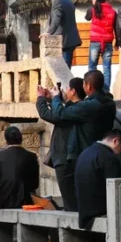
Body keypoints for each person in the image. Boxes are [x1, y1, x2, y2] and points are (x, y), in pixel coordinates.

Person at [36, 70, 117, 162]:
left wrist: (53, 97)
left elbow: (59, 113)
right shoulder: (109, 103)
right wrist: (54, 100)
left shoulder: (89, 106)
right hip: (101, 150)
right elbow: (72, 108)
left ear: (88, 86)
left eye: (84, 84)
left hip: (84, 154)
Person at [36, 77, 85, 211]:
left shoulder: (74, 111)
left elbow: (48, 114)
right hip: (72, 158)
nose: (65, 90)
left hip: (65, 160)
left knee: (70, 200)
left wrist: (41, 98)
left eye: (67, 88)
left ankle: (74, 228)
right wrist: (51, 99)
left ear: (73, 91)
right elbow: (59, 112)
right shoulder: (77, 109)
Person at [74, 130, 121, 229]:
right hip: (99, 211)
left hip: (83, 212)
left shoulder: (85, 153)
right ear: (115, 141)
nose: (120, 153)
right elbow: (115, 190)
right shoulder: (109, 158)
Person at [0, 126, 40, 216]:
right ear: (21, 139)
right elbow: (35, 184)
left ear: (6, 140)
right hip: (25, 199)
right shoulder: (32, 156)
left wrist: (1, 186)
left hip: (2, 199)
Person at [45, 0, 82, 67]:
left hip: (64, 39)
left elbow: (56, 19)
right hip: (71, 38)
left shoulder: (57, 0)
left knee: (63, 68)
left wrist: (48, 33)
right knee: (66, 66)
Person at [86, 0, 117, 88]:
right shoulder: (113, 12)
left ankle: (92, 90)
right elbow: (115, 27)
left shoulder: (93, 10)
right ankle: (106, 91)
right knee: (107, 68)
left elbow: (87, 17)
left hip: (95, 41)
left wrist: (93, 5)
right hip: (107, 42)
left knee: (92, 67)